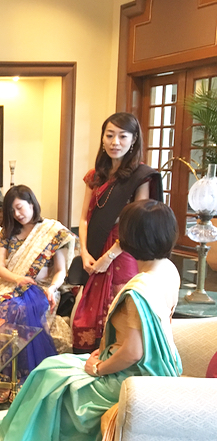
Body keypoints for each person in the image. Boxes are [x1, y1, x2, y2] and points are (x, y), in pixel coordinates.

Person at [0, 199, 182, 441]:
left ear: (131, 238)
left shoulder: (138, 290)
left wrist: (99, 367)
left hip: (134, 378)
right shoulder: (169, 270)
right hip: (162, 365)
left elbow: (133, 352)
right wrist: (107, 349)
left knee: (50, 376)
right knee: (53, 365)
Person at [72, 112, 162, 353]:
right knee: (87, 316)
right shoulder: (94, 176)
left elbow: (136, 222)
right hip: (94, 248)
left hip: (123, 250)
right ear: (102, 138)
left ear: (133, 140)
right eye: (110, 135)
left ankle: (116, 363)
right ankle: (89, 363)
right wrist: (84, 252)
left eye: (123, 136)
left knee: (120, 312)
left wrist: (109, 256)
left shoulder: (140, 177)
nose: (115, 142)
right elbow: (84, 218)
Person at [0, 185, 75, 402]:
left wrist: (52, 288)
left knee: (19, 310)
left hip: (41, 288)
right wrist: (18, 279)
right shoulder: (7, 232)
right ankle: (5, 378)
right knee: (2, 308)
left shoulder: (52, 232)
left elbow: (60, 271)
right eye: (12, 211)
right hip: (11, 286)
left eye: (20, 208)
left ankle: (22, 378)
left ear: (32, 203)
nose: (17, 214)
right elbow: (0, 269)